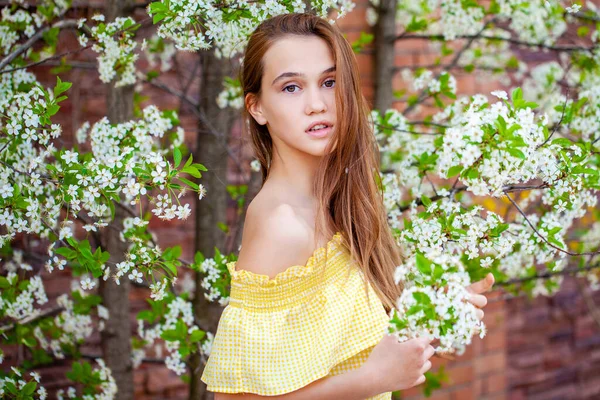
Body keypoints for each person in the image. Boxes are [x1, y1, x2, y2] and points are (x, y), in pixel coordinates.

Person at [200, 12, 494, 399]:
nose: (317, 104)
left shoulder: (338, 207)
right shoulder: (280, 225)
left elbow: (343, 356)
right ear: (257, 108)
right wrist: (372, 380)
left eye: (329, 82)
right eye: (291, 88)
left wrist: (438, 311)